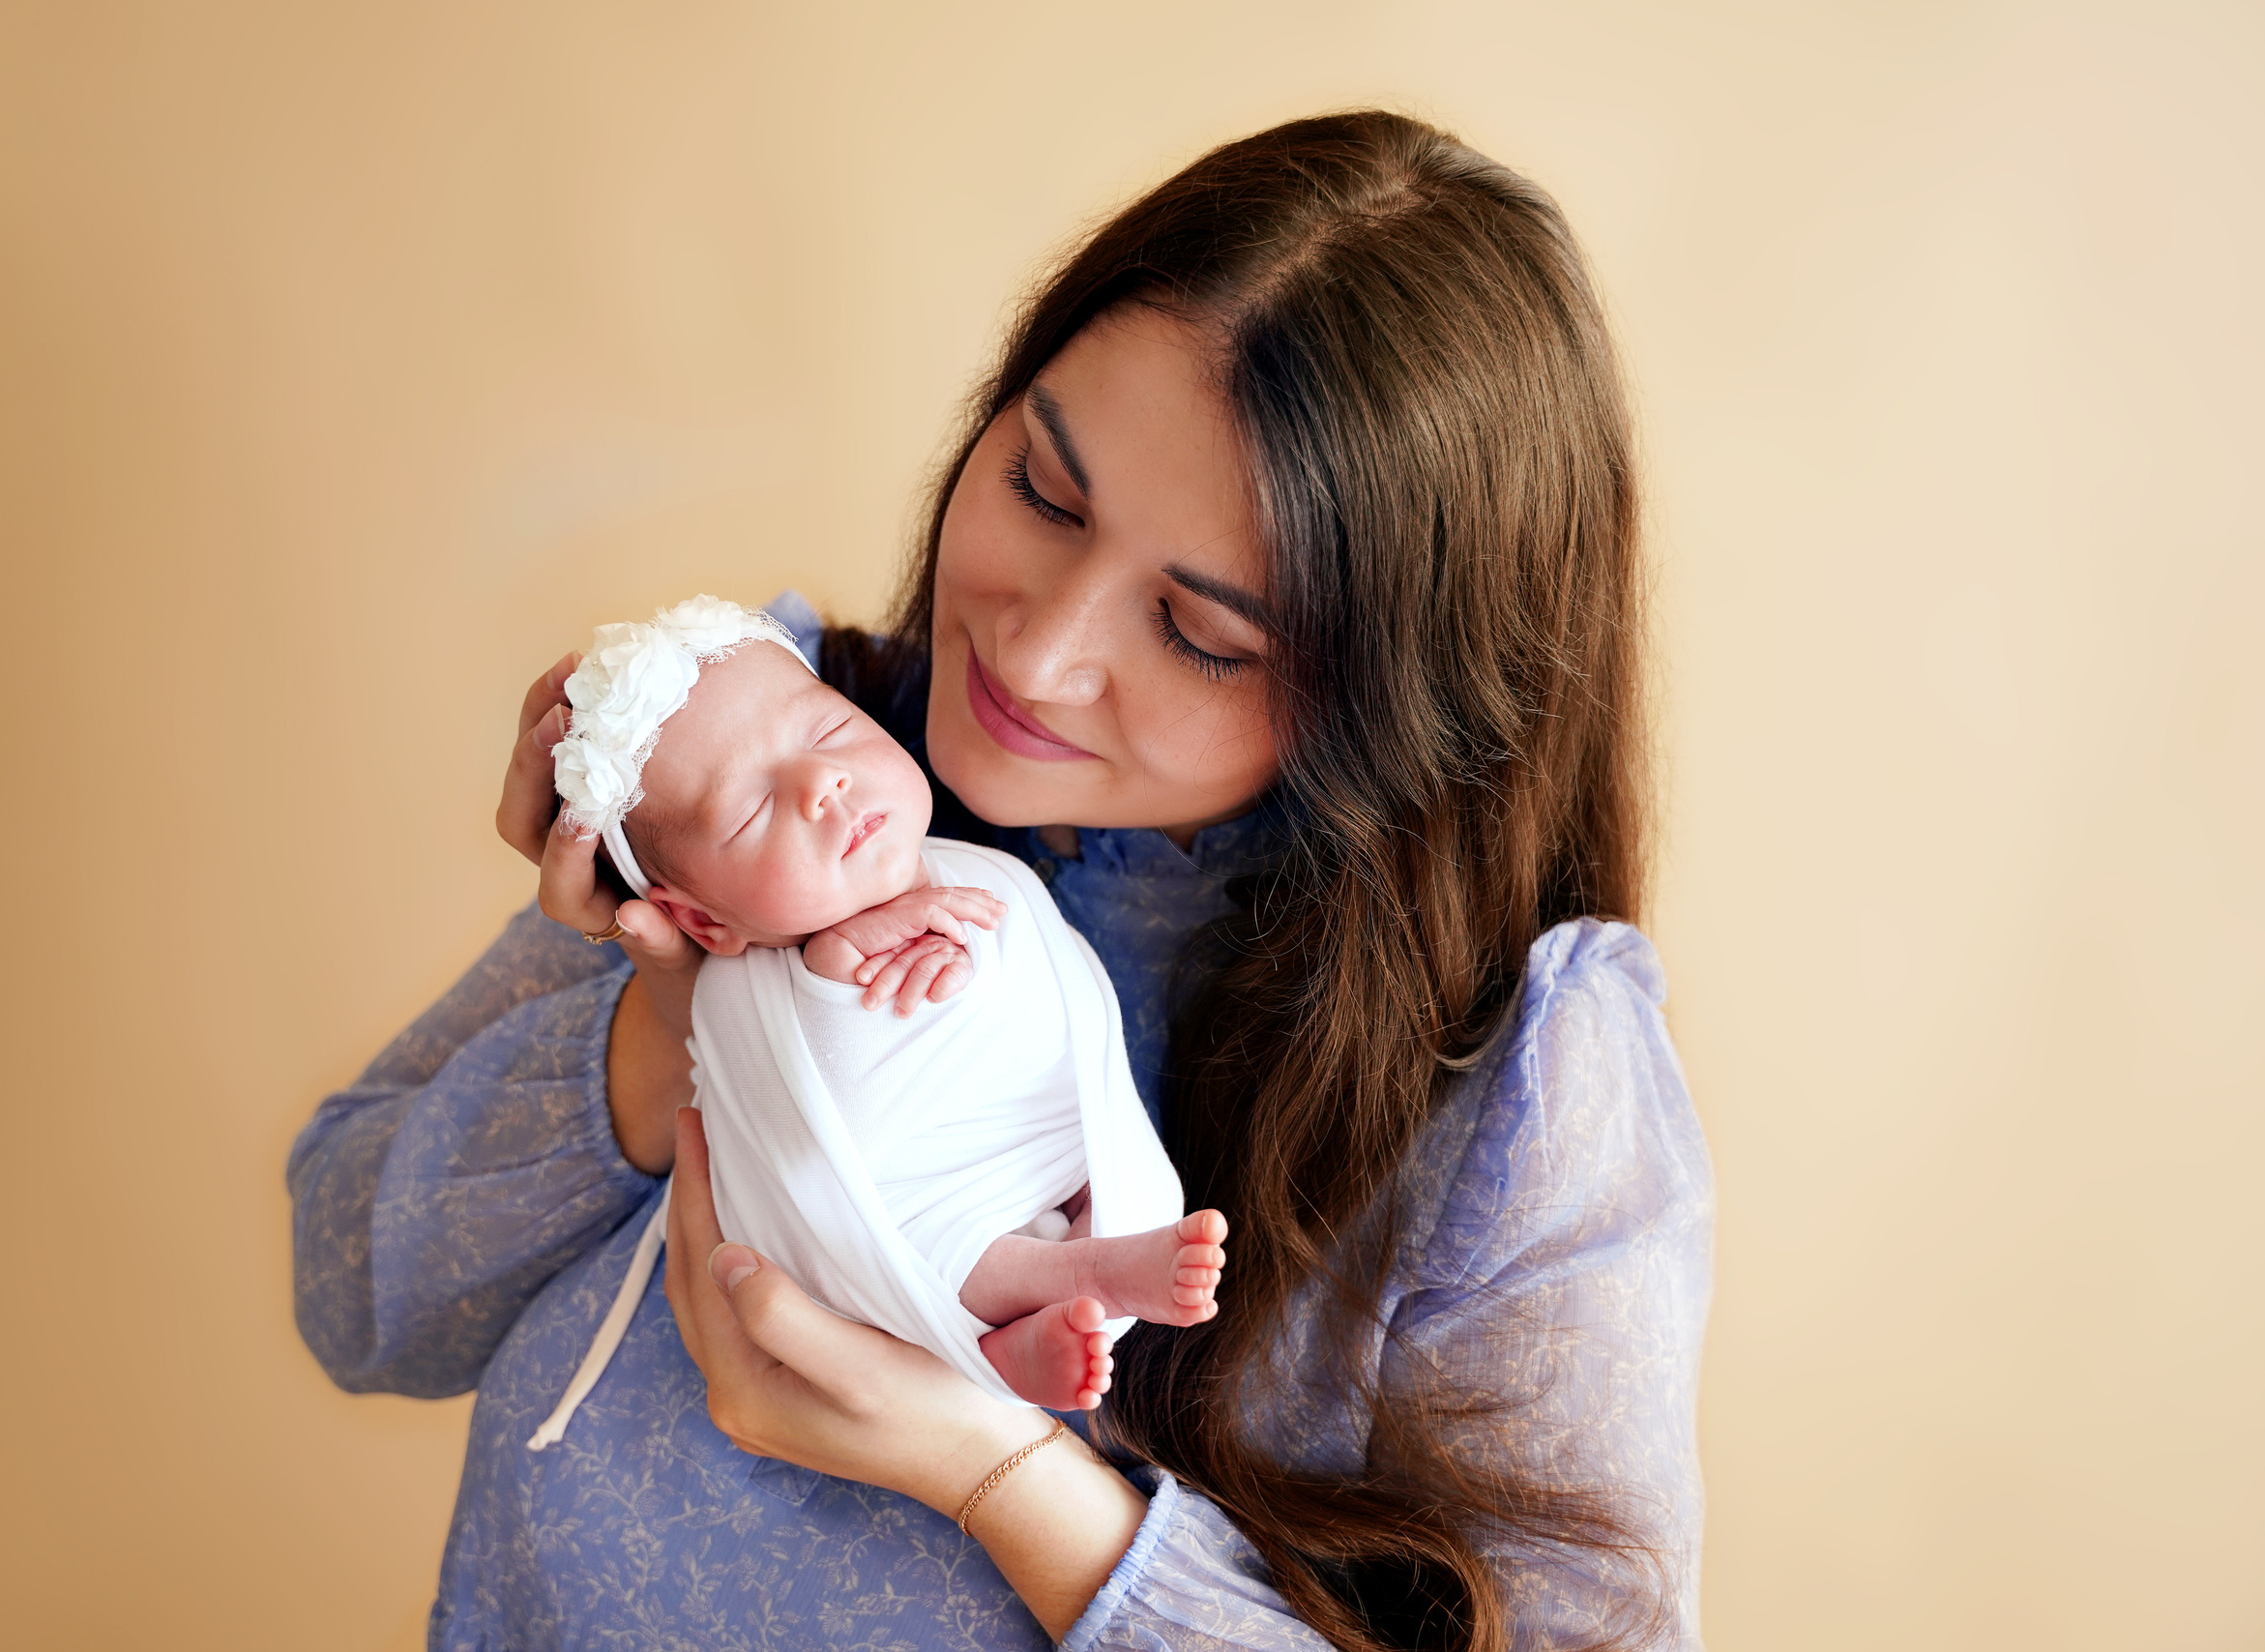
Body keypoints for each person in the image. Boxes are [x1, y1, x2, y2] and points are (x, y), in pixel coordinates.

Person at [290, 109, 1714, 1651]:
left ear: (1393, 706)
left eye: (1203, 634)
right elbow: (355, 1290)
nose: (1034, 656)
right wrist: (675, 1000)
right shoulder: (775, 756)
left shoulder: (1516, 1094)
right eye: (1043, 490)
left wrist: (1003, 1481)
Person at [522, 596, 1224, 1423]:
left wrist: (972, 961)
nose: (823, 783)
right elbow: (820, 1106)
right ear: (705, 921)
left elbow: (1054, 1002)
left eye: (829, 732)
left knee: (1094, 1179)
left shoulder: (973, 869)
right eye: (750, 809)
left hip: (1033, 1147)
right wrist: (839, 965)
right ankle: (1074, 1286)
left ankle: (1043, 1313)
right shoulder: (744, 992)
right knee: (948, 1253)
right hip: (917, 1217)